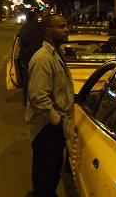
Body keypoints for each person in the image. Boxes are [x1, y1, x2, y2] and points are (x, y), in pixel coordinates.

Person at [26, 14, 74, 197]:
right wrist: (56, 120)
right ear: (48, 31)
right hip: (46, 127)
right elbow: (38, 96)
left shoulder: (55, 54)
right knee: (45, 175)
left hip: (53, 127)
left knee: (52, 171)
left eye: (66, 26)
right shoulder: (42, 59)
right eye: (61, 27)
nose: (66, 30)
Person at [18, 11, 44, 106]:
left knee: (26, 81)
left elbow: (20, 41)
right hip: (38, 57)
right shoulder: (39, 27)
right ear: (34, 17)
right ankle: (37, 101)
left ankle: (27, 101)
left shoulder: (24, 27)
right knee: (38, 82)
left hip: (25, 59)